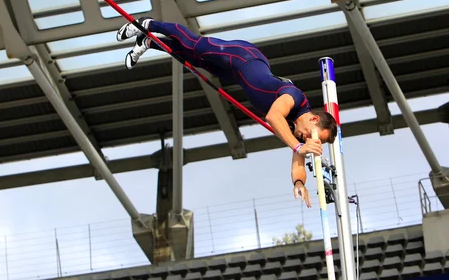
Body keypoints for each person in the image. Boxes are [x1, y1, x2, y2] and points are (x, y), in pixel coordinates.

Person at [117, 17, 338, 207]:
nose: (307, 138)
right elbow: (273, 117)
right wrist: (300, 145)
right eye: (313, 134)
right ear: (314, 119)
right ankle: (147, 24)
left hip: (235, 73)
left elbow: (298, 161)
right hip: (242, 56)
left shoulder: (295, 128)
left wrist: (299, 183)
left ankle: (147, 42)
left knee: (193, 59)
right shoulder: (294, 98)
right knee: (193, 44)